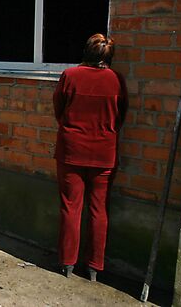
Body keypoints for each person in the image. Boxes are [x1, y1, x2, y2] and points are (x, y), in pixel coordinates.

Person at [53, 33, 128, 281]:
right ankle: (94, 266)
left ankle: (67, 263)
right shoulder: (116, 80)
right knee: (99, 210)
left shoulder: (71, 76)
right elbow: (120, 116)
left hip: (72, 150)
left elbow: (59, 108)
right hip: (104, 153)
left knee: (70, 208)